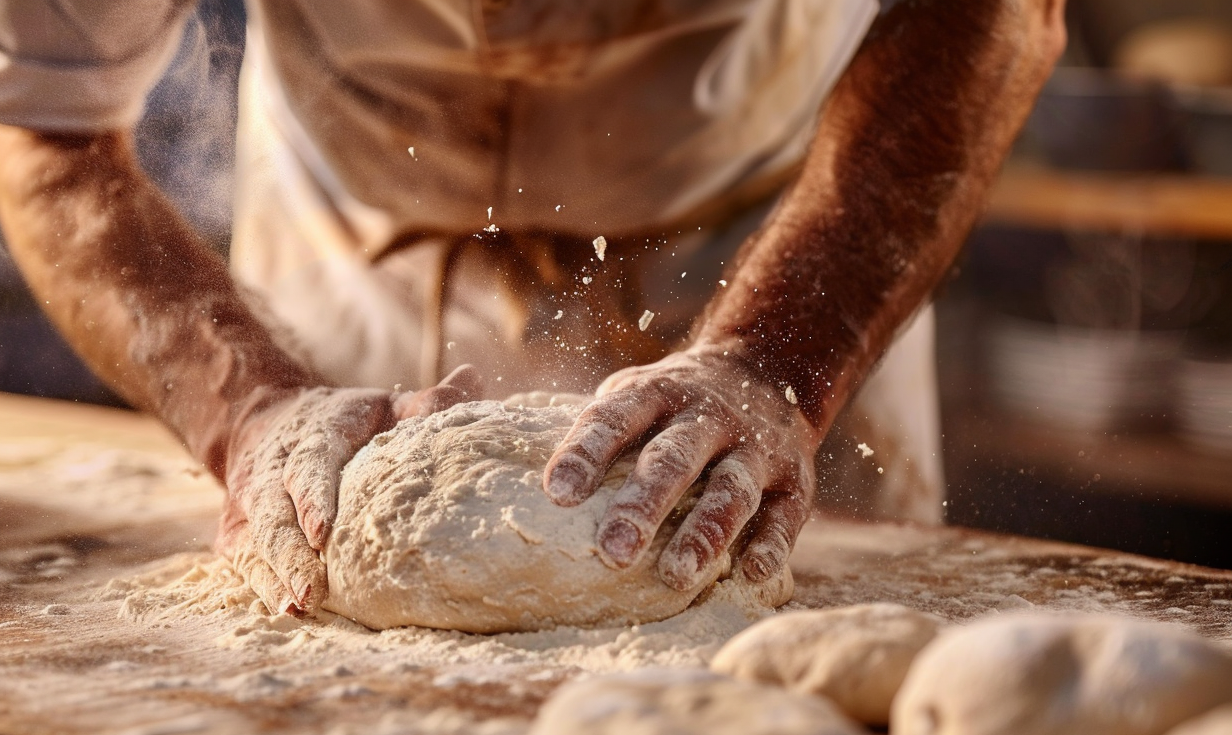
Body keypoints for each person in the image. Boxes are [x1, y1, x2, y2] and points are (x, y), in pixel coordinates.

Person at [0, 0, 1065, 616]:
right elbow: (49, 139)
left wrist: (774, 354)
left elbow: (992, 14)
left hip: (771, 234)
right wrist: (253, 410)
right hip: (355, 244)